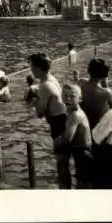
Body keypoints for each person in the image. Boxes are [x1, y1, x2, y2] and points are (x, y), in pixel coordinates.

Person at [29, 53, 70, 189]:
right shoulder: (51, 79)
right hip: (64, 119)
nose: (31, 70)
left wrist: (34, 101)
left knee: (61, 163)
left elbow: (40, 113)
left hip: (58, 125)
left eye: (32, 66)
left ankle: (65, 191)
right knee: (64, 162)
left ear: (39, 68)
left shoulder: (45, 85)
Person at [54, 84, 92, 189]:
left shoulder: (76, 115)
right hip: (79, 150)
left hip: (83, 152)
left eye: (72, 96)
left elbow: (67, 139)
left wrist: (57, 140)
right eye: (65, 95)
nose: (68, 99)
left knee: (83, 182)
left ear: (80, 98)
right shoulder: (70, 112)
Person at [79, 58, 112, 130]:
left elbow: (87, 82)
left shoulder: (80, 83)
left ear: (89, 70)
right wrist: (106, 85)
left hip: (83, 124)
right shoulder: (107, 92)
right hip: (98, 128)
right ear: (105, 75)